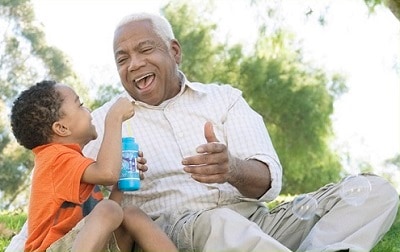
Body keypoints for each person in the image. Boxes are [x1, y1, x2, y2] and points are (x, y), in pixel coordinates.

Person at [7, 12, 399, 252]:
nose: (134, 63)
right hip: (184, 227)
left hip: (257, 222)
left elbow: (268, 180)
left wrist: (231, 168)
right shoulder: (108, 119)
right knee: (219, 223)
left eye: (146, 50)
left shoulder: (224, 100)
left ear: (174, 52)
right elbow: (54, 193)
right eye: (122, 58)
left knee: (372, 191)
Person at [9, 80, 177, 252]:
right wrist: (114, 118)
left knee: (130, 213)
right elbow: (107, 174)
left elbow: (109, 215)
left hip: (81, 244)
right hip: (52, 248)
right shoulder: (53, 158)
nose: (89, 111)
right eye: (80, 105)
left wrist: (121, 180)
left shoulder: (76, 163)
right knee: (108, 208)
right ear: (62, 128)